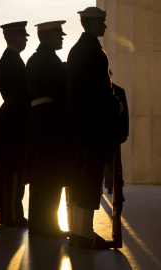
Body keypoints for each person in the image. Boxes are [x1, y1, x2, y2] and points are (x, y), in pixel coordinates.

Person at [65, 7, 124, 249]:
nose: (106, 26)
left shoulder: (76, 50)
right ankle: (86, 233)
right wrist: (117, 105)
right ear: (93, 23)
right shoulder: (96, 53)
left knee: (80, 180)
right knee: (90, 180)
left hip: (77, 125)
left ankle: (78, 232)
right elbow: (100, 93)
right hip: (93, 126)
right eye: (103, 22)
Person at [24, 21, 71, 238]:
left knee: (39, 177)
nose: (62, 37)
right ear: (47, 36)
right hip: (51, 122)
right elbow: (61, 92)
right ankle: (50, 226)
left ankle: (37, 224)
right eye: (58, 34)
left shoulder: (33, 59)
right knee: (52, 176)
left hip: (37, 120)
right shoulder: (50, 60)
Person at [0, 21, 31, 227]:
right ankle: (13, 216)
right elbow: (22, 95)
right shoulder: (14, 61)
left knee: (11, 171)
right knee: (14, 169)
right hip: (15, 120)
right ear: (14, 38)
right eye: (23, 37)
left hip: (10, 117)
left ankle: (10, 214)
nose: (25, 40)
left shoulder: (7, 60)